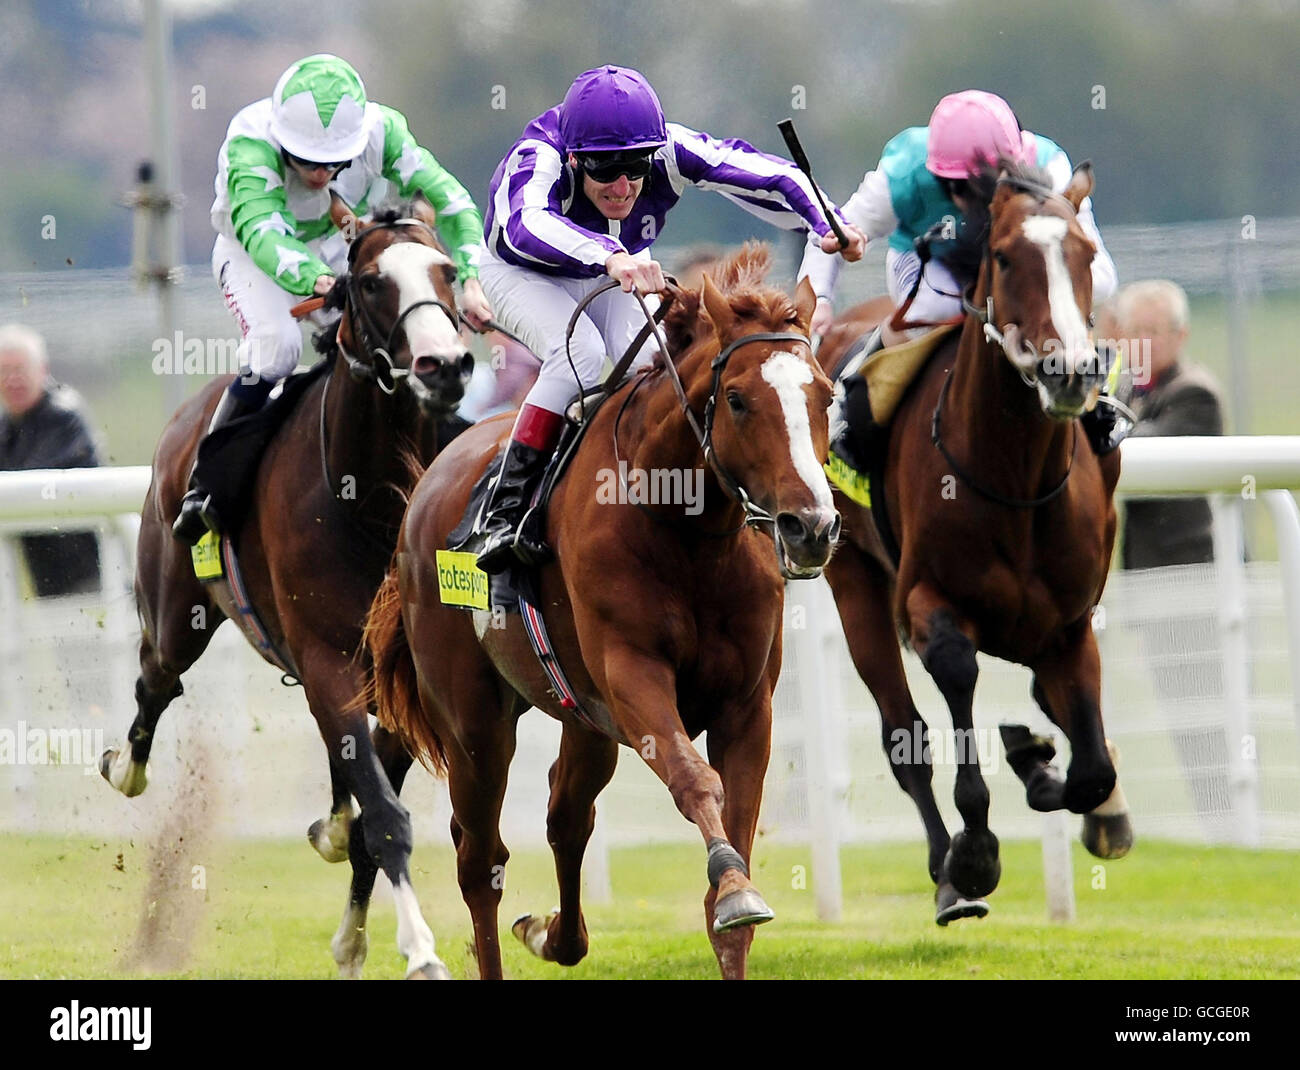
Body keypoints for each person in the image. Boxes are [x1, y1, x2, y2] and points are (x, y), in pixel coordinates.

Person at [473, 64, 865, 573]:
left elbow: (769, 173)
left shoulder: (670, 149)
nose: (622, 184)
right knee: (581, 360)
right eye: (604, 169)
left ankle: (669, 499)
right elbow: (524, 223)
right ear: (573, 159)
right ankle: (505, 507)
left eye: (635, 168)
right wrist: (610, 255)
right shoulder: (537, 157)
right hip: (522, 271)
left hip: (616, 266)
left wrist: (829, 220)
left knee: (656, 369)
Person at [173, 53, 493, 543]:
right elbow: (262, 231)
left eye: (333, 163)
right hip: (254, 253)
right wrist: (318, 281)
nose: (321, 174)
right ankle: (208, 482)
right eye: (306, 162)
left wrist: (470, 274)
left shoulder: (383, 130)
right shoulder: (249, 143)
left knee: (384, 341)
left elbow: (450, 201)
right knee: (276, 347)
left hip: (338, 240)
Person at [798, 89, 1123, 456]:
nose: (964, 201)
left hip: (1021, 265)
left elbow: (1093, 266)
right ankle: (853, 399)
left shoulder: (1050, 166)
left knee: (1103, 286)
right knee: (929, 315)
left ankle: (1100, 402)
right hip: (931, 258)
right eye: (950, 185)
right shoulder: (901, 171)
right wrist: (821, 299)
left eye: (972, 187)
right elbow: (827, 232)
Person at [1115, 279, 1230, 831]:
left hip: (1196, 586)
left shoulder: (1194, 393)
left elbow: (1139, 452)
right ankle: (1216, 824)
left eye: (1151, 331)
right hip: (1155, 586)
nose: (1139, 341)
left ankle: (1228, 820)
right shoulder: (1133, 392)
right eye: (1131, 330)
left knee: (1207, 716)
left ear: (1180, 335)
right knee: (1181, 714)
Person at [0, 324, 103, 597]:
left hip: (96, 581)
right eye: (4, 371)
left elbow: (23, 480)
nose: (12, 380)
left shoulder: (63, 415)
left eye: (20, 369)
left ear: (42, 370)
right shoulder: (7, 425)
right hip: (47, 582)